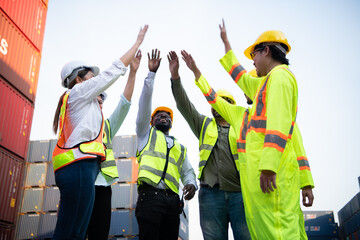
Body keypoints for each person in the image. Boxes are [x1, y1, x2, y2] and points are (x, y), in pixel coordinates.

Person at [217, 20, 314, 239]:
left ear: (266, 50)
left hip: (273, 173)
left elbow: (279, 124)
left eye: (254, 56)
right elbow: (240, 76)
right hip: (268, 174)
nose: (252, 63)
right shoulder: (267, 82)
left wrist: (269, 166)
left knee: (277, 231)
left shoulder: (280, 77)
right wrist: (226, 43)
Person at [51, 25, 148, 240]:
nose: (99, 92)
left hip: (85, 169)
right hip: (78, 166)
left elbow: (124, 103)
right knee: (69, 233)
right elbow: (110, 73)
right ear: (78, 79)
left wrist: (133, 73)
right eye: (92, 79)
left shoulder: (93, 117)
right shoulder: (77, 93)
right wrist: (137, 43)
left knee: (75, 233)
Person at [168, 50, 250, 240]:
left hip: (241, 193)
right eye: (213, 103)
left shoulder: (243, 125)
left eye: (220, 102)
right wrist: (175, 76)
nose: (215, 106)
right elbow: (183, 104)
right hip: (211, 193)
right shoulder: (204, 125)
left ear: (230, 104)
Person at [135, 49, 197, 240]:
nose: (164, 117)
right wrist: (151, 74)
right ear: (151, 121)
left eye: (167, 116)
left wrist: (191, 183)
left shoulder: (179, 146)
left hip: (172, 202)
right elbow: (145, 102)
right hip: (150, 197)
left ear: (171, 123)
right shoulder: (145, 134)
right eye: (159, 115)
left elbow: (187, 170)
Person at [86, 50, 142, 240]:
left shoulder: (107, 126)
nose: (100, 102)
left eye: (102, 100)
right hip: (81, 183)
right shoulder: (76, 121)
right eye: (97, 98)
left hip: (102, 186)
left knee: (99, 234)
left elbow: (124, 104)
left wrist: (133, 72)